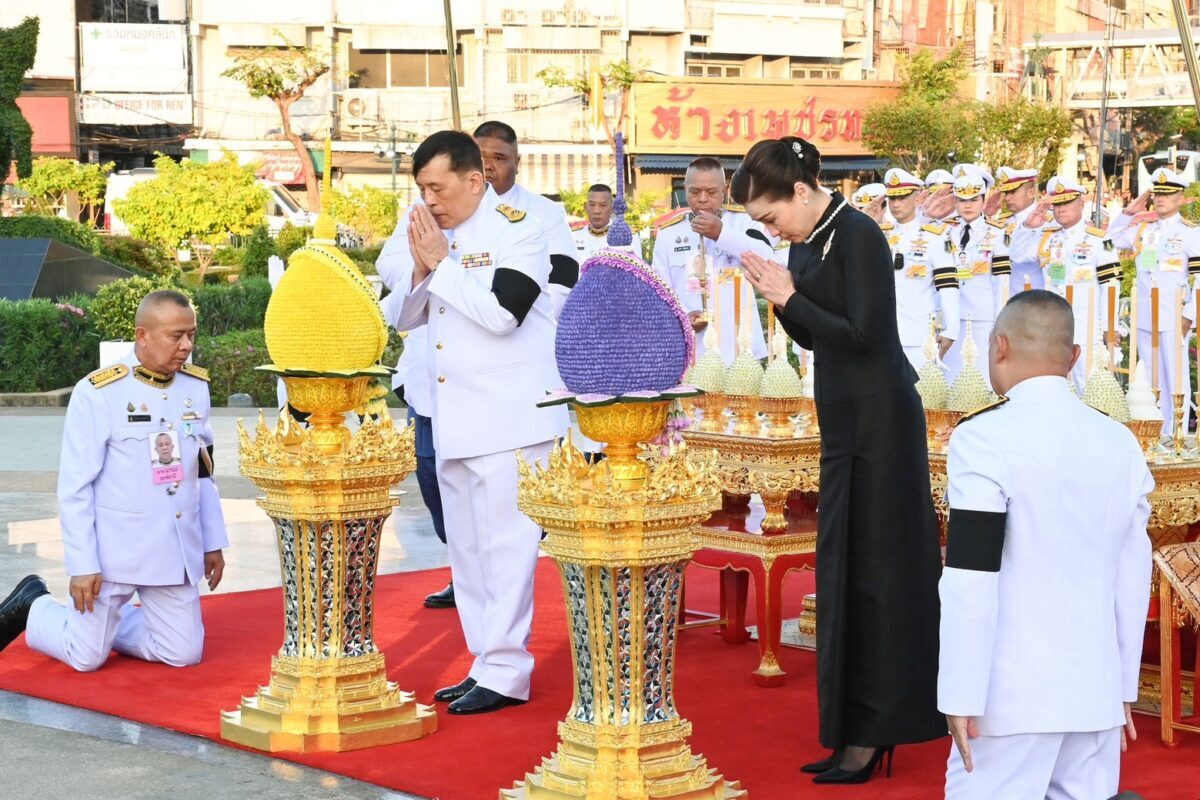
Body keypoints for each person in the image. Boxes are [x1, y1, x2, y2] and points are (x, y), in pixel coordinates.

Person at [735, 136, 945, 784]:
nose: (772, 230)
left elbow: (863, 334)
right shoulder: (805, 241)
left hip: (883, 419)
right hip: (842, 419)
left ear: (800, 191)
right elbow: (812, 333)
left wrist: (790, 296)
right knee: (842, 570)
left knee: (881, 574)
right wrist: (782, 298)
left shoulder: (858, 235)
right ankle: (848, 728)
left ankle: (878, 731)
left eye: (771, 216)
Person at [940, 290, 1152, 799]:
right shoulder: (1119, 441)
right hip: (1095, 693)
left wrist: (960, 692)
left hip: (1010, 697)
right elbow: (1133, 576)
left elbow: (971, 576)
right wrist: (1122, 686)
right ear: (1074, 357)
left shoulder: (983, 437)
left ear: (999, 346)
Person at [388, 130, 567, 715]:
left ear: (474, 179)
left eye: (438, 188)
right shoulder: (440, 237)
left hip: (509, 420)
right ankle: (484, 661)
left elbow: (502, 314)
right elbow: (405, 318)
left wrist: (441, 263)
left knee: (506, 550)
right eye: (422, 189)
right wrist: (424, 267)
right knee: (467, 553)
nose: (429, 200)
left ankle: (508, 671)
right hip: (456, 418)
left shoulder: (519, 230)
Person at [0, 290, 228, 670]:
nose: (187, 346)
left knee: (183, 653)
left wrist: (212, 542)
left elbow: (202, 471)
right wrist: (82, 564)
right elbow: (75, 487)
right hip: (113, 554)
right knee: (85, 657)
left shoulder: (195, 387)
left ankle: (109, 630)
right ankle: (34, 605)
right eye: (176, 336)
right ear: (142, 335)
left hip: (171, 550)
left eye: (191, 334)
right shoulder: (99, 392)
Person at [1104, 168, 1200, 436]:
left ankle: (1176, 434)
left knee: (1176, 378)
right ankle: (1157, 434)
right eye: (1157, 194)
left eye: (1167, 195)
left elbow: (1199, 278)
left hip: (1174, 315)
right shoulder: (1143, 230)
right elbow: (1108, 241)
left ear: (1180, 198)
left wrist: (1190, 314)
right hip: (1146, 315)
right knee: (1152, 378)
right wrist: (1128, 212)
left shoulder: (1190, 233)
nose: (1160, 199)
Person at [650, 156, 773, 364]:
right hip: (692, 349)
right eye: (695, 191)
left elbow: (767, 260)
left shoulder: (745, 223)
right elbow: (659, 291)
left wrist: (721, 234)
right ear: (685, 189)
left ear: (725, 190)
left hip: (739, 346)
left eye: (712, 192)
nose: (703, 199)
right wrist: (683, 317)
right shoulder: (669, 234)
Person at [1009, 176, 1121, 393]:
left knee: (1088, 388)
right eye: (1057, 204)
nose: (1061, 209)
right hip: (1052, 328)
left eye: (1067, 202)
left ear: (1081, 203)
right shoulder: (1047, 238)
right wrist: (1028, 226)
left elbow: (1110, 285)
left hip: (1086, 328)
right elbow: (1016, 254)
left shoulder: (1098, 240)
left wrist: (1110, 326)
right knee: (1053, 387)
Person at [474, 120, 578, 317]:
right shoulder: (443, 210)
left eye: (499, 158)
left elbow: (561, 284)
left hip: (522, 327)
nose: (487, 166)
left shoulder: (547, 212)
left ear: (516, 163)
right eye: (479, 157)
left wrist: (509, 320)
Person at [878, 167, 959, 369]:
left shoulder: (934, 238)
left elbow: (948, 286)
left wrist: (951, 329)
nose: (896, 204)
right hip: (882, 333)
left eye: (903, 197)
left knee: (920, 388)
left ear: (917, 199)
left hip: (918, 334)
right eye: (892, 198)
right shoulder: (878, 235)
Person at [943, 169, 1012, 388]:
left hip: (983, 316)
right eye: (962, 200)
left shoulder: (997, 233)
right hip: (951, 316)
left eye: (974, 200)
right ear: (955, 202)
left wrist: (1000, 320)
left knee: (982, 377)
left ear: (983, 200)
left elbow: (1002, 281)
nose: (968, 206)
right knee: (951, 377)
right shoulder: (945, 231)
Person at [992, 166, 1042, 290]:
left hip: (1035, 293)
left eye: (1013, 192)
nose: (1007, 198)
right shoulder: (1001, 222)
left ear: (1031, 192)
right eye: (1006, 192)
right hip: (1004, 292)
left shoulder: (1048, 221)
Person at [571, 183, 642, 260]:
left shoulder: (627, 237)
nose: (596, 211)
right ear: (585, 207)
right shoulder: (573, 236)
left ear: (612, 207)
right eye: (592, 205)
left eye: (603, 205)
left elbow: (637, 266)